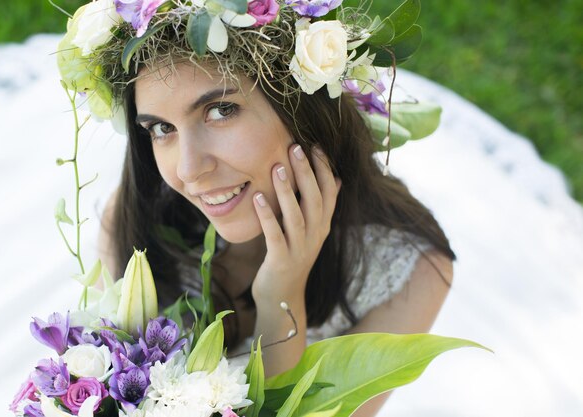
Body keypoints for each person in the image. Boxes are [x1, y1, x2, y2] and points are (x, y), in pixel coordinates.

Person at [56, 0, 455, 415]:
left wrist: (280, 294)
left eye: (221, 110)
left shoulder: (413, 273)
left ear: (304, 108)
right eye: (162, 128)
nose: (189, 170)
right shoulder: (136, 223)